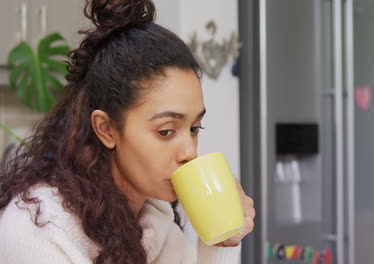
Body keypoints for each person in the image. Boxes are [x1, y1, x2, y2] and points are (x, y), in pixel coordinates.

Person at [0, 0, 255, 263]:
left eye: (194, 128)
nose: (190, 152)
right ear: (106, 129)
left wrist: (222, 241)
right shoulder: (37, 230)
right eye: (166, 131)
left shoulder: (156, 220)